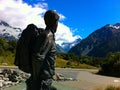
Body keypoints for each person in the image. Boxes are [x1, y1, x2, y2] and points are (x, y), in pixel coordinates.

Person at [26, 10, 59, 90]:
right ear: (55, 22)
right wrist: (35, 80)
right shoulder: (47, 36)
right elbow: (37, 58)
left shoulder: (47, 35)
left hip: (45, 78)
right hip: (42, 80)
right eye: (57, 22)